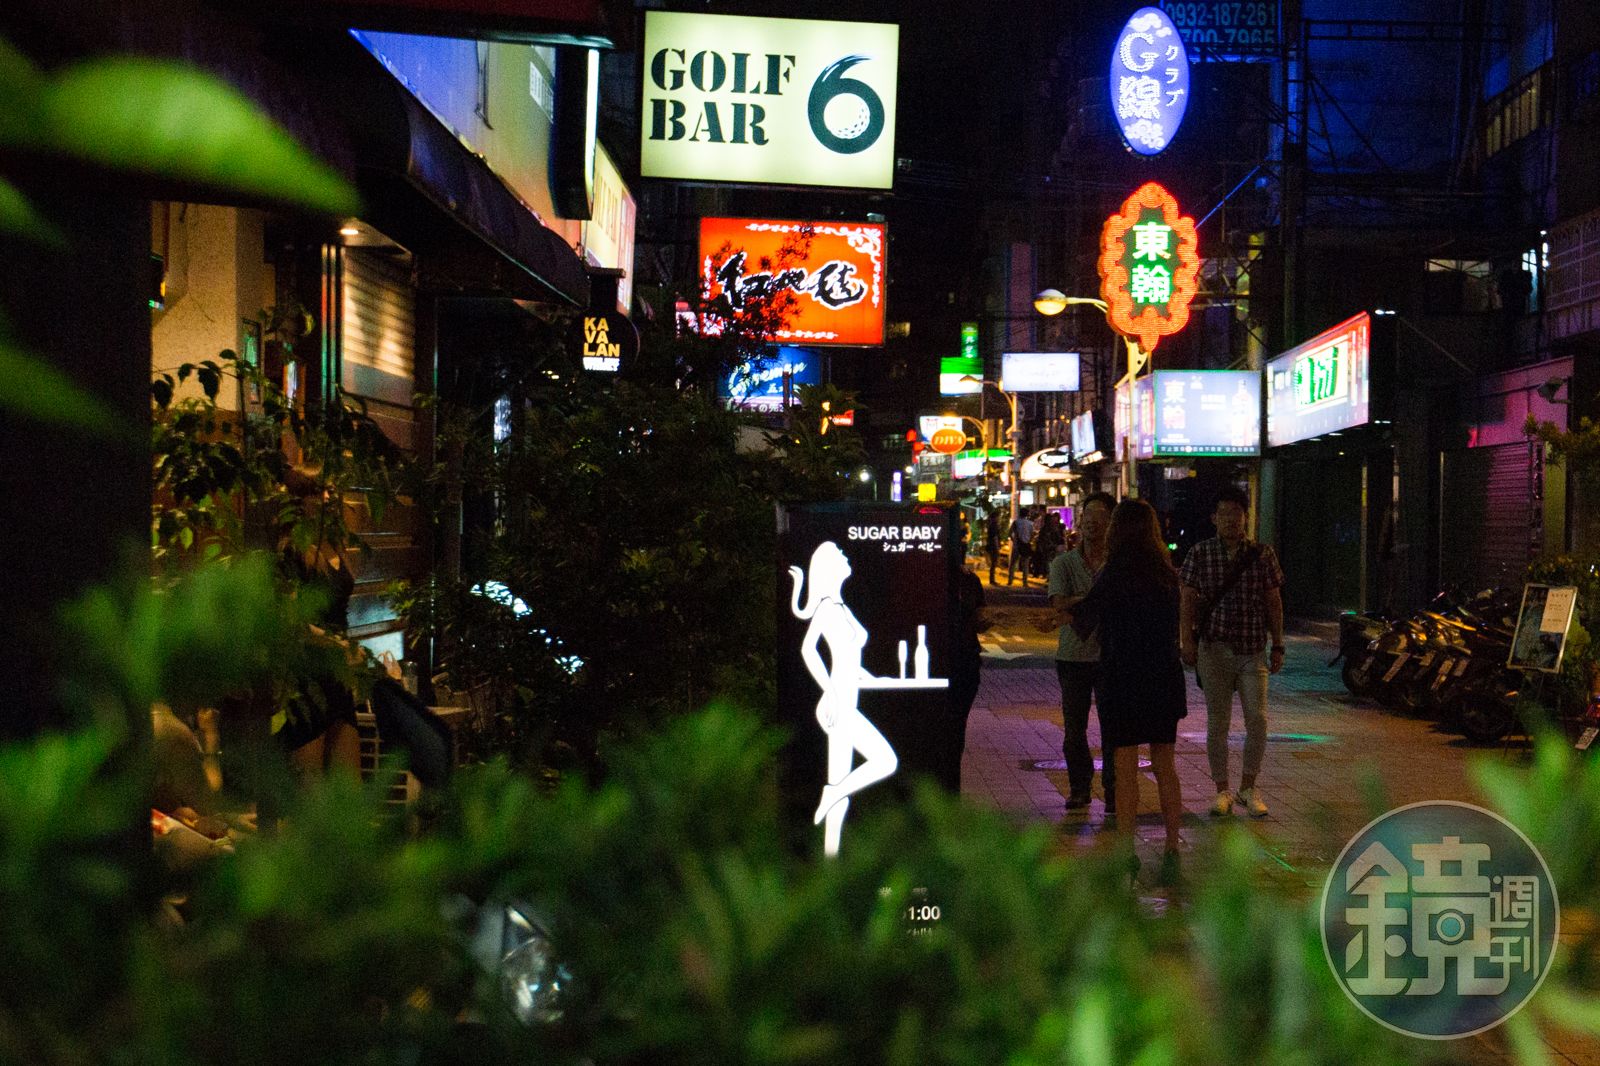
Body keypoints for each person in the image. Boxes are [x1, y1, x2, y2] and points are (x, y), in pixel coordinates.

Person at [1067, 499, 1187, 882]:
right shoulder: (1166, 575)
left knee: (1125, 767)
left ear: (1116, 530)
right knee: (1165, 765)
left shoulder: (1113, 572)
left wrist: (1055, 614)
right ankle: (1172, 846)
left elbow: (1085, 617)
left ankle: (1127, 850)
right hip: (1163, 676)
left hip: (1122, 677)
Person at [1179, 485, 1286, 819]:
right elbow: (1187, 599)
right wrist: (1186, 641)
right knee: (1218, 723)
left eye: (1236, 513)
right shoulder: (1200, 553)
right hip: (1214, 648)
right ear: (1214, 518)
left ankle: (1248, 788)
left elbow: (1273, 600)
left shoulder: (1263, 554)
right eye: (1223, 513)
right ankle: (1222, 790)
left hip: (1252, 648)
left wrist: (1278, 643)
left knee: (1258, 720)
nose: (1230, 520)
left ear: (1246, 517)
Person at [790, 541, 900, 857]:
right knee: (886, 760)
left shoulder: (841, 608)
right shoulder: (827, 608)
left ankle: (830, 858)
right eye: (840, 555)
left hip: (848, 698)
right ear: (829, 567)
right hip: (839, 704)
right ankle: (832, 793)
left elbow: (848, 658)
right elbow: (808, 650)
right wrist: (830, 690)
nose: (845, 556)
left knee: (841, 789)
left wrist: (870, 678)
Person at [1048, 492, 1116, 812]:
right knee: (1074, 730)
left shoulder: (1118, 564)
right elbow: (1058, 603)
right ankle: (1079, 787)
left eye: (1100, 514)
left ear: (1111, 522)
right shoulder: (1063, 563)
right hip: (1073, 657)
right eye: (1088, 514)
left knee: (1113, 727)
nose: (1092, 521)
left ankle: (1114, 789)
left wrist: (1079, 601)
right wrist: (1095, 600)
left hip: (1111, 656)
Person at [946, 532, 988, 792]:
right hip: (943, 662)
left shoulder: (969, 581)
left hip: (964, 661)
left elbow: (979, 617)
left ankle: (951, 785)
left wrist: (986, 621)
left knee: (956, 728)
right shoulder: (926, 576)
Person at [1006, 509, 1035, 587]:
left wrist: (1014, 540)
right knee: (1025, 564)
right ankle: (1025, 582)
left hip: (1017, 546)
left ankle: (1010, 580)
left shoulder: (1016, 522)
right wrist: (1029, 541)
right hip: (1026, 545)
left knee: (1012, 564)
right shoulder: (1030, 523)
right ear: (1027, 514)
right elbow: (1032, 535)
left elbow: (1010, 533)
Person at [984, 509, 1002, 584]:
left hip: (991, 545)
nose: (999, 518)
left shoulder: (990, 525)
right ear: (995, 517)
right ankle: (992, 580)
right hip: (993, 546)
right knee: (994, 563)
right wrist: (997, 547)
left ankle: (992, 579)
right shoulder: (994, 525)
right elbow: (995, 537)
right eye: (998, 517)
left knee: (993, 563)